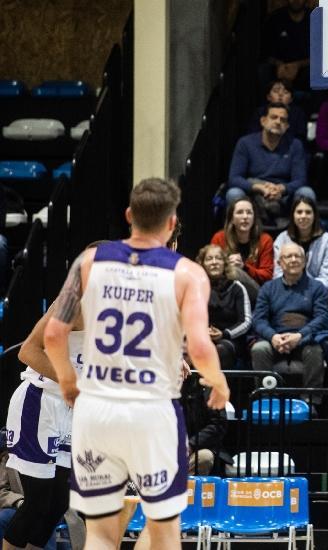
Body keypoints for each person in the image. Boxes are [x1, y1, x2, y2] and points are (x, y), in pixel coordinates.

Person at [43, 178, 230, 549]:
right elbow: (201, 347)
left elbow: (52, 335)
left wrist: (67, 381)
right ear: (172, 223)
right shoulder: (188, 273)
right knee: (163, 528)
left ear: (129, 215)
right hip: (151, 411)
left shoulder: (89, 261)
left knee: (100, 533)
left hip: (97, 411)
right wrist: (219, 384)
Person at [2, 241, 94, 549]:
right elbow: (28, 352)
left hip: (67, 408)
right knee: (38, 503)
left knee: (57, 506)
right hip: (40, 402)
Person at [251, 243, 328, 394]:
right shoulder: (268, 288)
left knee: (315, 352)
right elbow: (258, 320)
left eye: (298, 256)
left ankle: (311, 402)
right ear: (279, 262)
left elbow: (322, 318)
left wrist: (299, 336)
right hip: (276, 339)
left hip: (306, 339)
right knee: (259, 349)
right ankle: (266, 399)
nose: (294, 259)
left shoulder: (317, 287)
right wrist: (273, 336)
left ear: (305, 260)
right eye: (288, 256)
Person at [227, 103, 314, 221]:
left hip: (283, 196)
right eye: (273, 117)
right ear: (263, 121)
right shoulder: (245, 143)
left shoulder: (295, 145)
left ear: (287, 126)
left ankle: (306, 238)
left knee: (306, 193)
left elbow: (300, 180)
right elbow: (234, 178)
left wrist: (282, 189)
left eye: (283, 120)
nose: (278, 122)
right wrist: (258, 187)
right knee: (234, 193)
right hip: (254, 194)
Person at [272, 197, 328, 313]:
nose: (303, 216)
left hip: (320, 293)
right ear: (293, 215)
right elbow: (278, 274)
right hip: (287, 291)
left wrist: (303, 289)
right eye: (299, 212)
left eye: (308, 212)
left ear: (315, 215)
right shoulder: (281, 239)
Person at [196, 245, 252, 371]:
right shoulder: (196, 286)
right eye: (209, 259)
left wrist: (224, 334)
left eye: (218, 258)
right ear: (202, 264)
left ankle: (219, 390)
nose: (214, 262)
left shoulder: (237, 287)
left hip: (231, 339)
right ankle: (193, 389)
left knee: (220, 350)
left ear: (225, 263)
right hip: (201, 336)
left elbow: (246, 321)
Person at [210, 197, 274, 296]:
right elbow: (211, 267)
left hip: (255, 291)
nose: (245, 217)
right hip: (224, 288)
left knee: (235, 271)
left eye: (249, 213)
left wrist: (244, 267)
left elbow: (267, 276)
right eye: (240, 212)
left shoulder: (265, 240)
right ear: (232, 219)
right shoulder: (219, 238)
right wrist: (225, 265)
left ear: (254, 218)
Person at [259, 0, 311, 91]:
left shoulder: (315, 18)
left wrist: (298, 65)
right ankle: (268, 104)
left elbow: (322, 55)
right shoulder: (275, 18)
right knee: (263, 70)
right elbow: (265, 52)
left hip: (305, 67)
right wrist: (279, 64)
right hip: (279, 67)